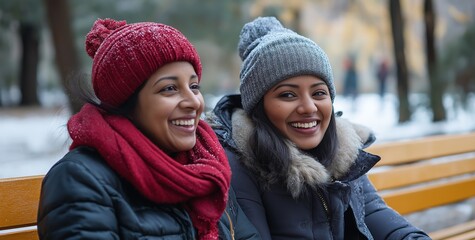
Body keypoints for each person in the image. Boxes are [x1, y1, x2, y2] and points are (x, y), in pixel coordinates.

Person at [206, 16, 431, 239]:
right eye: (288, 95)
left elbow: (375, 214)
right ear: (258, 107)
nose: (308, 107)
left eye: (319, 93)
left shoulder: (342, 151)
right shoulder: (237, 165)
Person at [37, 18, 261, 240]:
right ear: (126, 103)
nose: (193, 101)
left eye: (194, 86)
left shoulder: (206, 166)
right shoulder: (80, 180)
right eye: (170, 88)